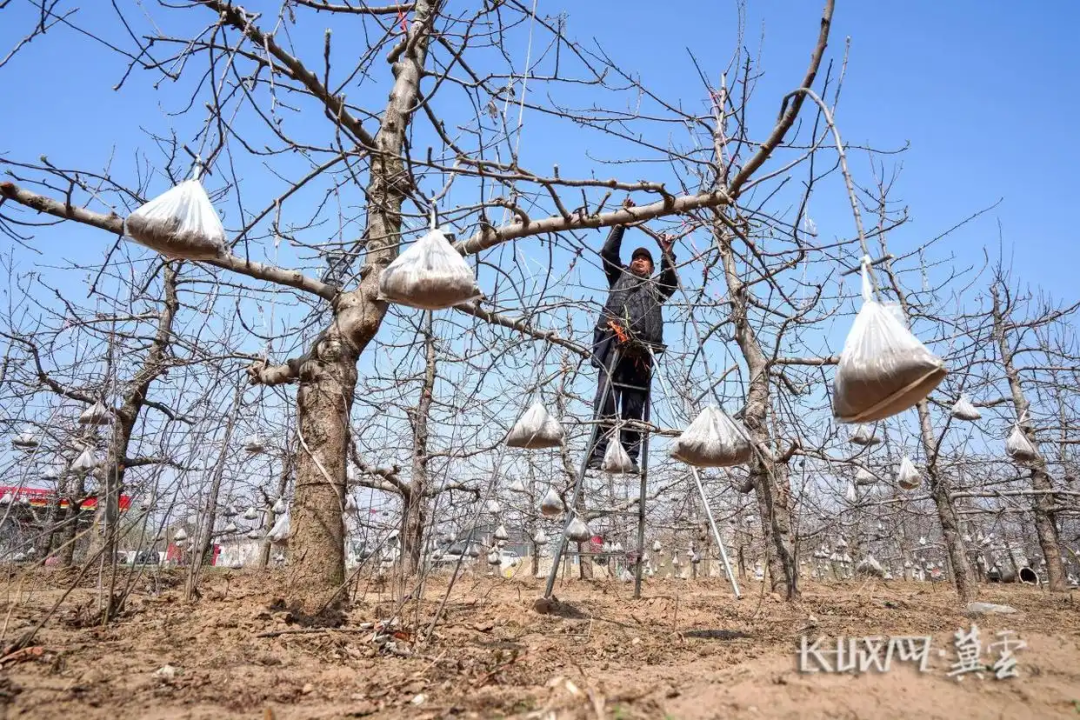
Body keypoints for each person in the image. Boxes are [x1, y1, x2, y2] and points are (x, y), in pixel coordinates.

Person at [586, 198, 678, 472]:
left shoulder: (656, 289)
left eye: (645, 259)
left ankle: (630, 457)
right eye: (637, 257)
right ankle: (598, 453)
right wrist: (621, 223)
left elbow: (671, 281)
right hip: (614, 346)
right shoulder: (619, 277)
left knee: (634, 408)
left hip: (641, 354)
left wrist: (667, 254)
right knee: (606, 400)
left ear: (651, 268)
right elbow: (607, 252)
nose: (640, 260)